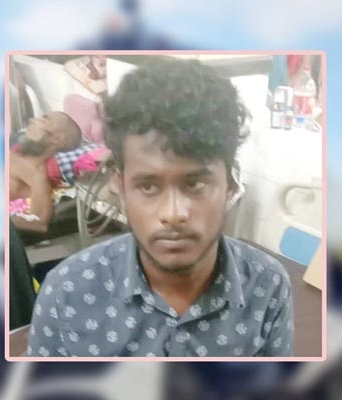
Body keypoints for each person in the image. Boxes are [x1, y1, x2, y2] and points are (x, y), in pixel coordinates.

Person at [27, 59, 294, 357]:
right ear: (121, 187)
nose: (173, 214)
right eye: (148, 186)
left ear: (230, 186)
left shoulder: (267, 287)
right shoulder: (67, 293)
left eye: (196, 184)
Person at [9, 111, 83, 233]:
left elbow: (39, 223)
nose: (32, 120)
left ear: (57, 138)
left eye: (43, 120)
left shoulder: (36, 176)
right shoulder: (15, 154)